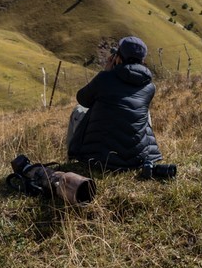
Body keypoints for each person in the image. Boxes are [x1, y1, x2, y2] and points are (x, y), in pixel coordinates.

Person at [66, 35, 163, 170]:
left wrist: (106, 72)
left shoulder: (105, 78)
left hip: (100, 159)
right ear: (143, 60)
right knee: (143, 111)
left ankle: (72, 160)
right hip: (137, 160)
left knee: (78, 110)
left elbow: (82, 99)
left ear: (118, 57)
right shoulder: (149, 87)